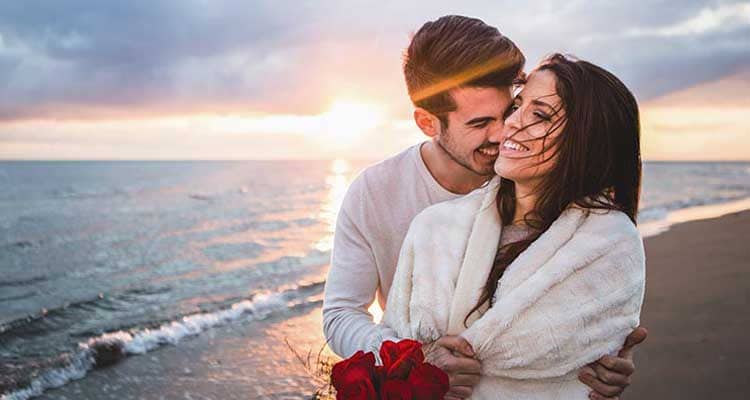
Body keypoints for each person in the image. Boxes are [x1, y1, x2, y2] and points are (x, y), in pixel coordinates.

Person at [322, 15, 646, 399]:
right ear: (428, 122)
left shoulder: (539, 184)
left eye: (509, 110)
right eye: (479, 123)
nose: (503, 131)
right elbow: (341, 315)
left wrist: (591, 354)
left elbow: (564, 303)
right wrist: (412, 362)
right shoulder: (377, 192)